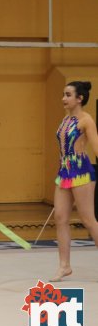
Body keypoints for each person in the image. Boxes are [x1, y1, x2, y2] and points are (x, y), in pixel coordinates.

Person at [51, 81, 98, 282]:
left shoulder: (86, 120)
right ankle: (64, 266)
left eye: (68, 95)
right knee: (60, 218)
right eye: (63, 94)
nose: (64, 98)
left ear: (80, 98)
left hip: (81, 172)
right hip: (64, 172)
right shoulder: (65, 118)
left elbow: (96, 149)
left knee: (88, 220)